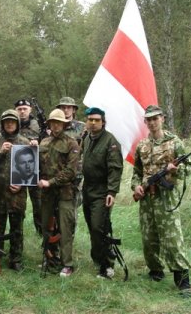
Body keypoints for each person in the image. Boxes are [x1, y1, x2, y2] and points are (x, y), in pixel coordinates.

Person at [131, 105, 191, 295]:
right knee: (149, 238)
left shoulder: (175, 142)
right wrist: (137, 187)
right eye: (148, 119)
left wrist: (176, 170)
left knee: (172, 238)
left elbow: (188, 168)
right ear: (145, 122)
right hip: (147, 200)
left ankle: (182, 280)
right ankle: (155, 271)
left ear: (162, 119)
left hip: (166, 199)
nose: (152, 122)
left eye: (155, 118)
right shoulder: (142, 145)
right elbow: (136, 173)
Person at [0, 109, 31, 271]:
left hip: (17, 195)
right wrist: (0, 152)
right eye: (6, 121)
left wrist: (22, 184)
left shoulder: (25, 142)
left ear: (17, 123)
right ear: (2, 123)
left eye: (13, 121)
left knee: (17, 227)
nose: (9, 124)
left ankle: (15, 259)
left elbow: (30, 170)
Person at [81, 107, 123, 278]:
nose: (93, 122)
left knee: (100, 227)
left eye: (96, 120)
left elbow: (115, 169)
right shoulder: (87, 138)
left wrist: (112, 192)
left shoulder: (110, 141)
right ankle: (98, 259)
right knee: (92, 227)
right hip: (87, 189)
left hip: (102, 191)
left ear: (103, 122)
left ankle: (107, 266)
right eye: (90, 119)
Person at [38, 109, 80, 277]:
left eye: (58, 123)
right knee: (47, 226)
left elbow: (71, 171)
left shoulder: (72, 143)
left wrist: (51, 182)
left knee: (65, 228)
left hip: (65, 192)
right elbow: (37, 164)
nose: (55, 125)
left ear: (64, 124)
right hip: (47, 193)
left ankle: (67, 263)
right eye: (52, 122)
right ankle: (50, 257)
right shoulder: (44, 142)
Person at [15, 98, 42, 234]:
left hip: (36, 169)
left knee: (38, 203)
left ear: (30, 109)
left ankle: (41, 232)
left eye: (25, 108)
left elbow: (48, 143)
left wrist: (38, 144)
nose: (22, 111)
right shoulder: (11, 124)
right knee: (18, 203)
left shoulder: (39, 125)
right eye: (19, 109)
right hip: (18, 171)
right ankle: (18, 231)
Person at [56, 96, 86, 207]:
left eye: (69, 107)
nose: (66, 110)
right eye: (63, 107)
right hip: (56, 171)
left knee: (72, 207)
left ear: (74, 110)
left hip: (75, 173)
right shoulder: (53, 126)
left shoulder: (82, 127)